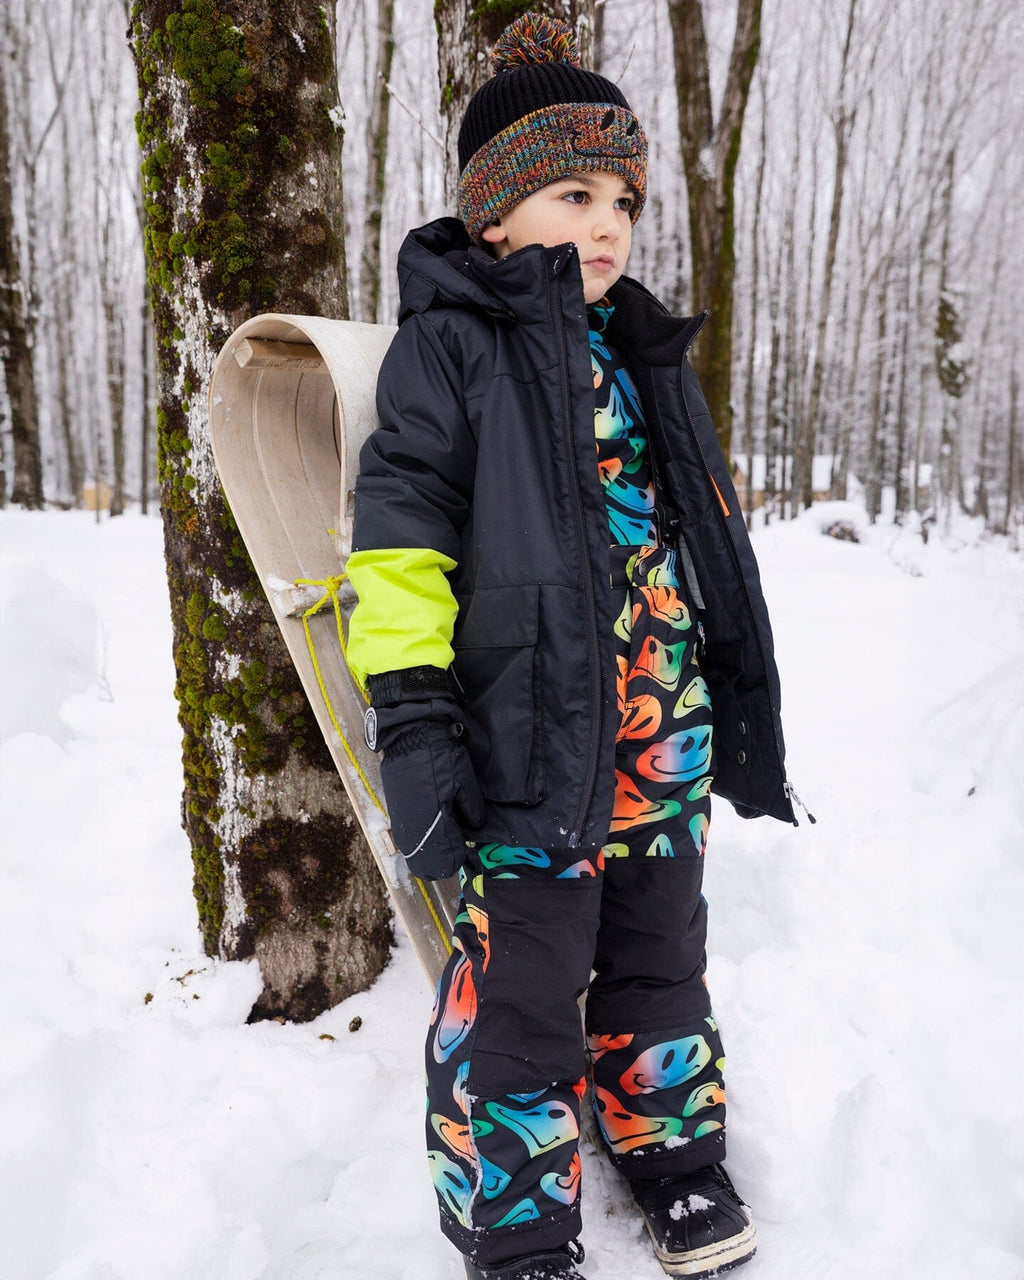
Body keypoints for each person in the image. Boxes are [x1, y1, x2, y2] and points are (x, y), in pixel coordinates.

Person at [346, 14, 797, 1280]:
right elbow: (397, 547)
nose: (610, 224)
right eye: (573, 192)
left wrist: (732, 696)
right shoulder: (452, 350)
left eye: (625, 200)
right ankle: (519, 1222)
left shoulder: (638, 347)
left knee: (661, 963)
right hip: (531, 747)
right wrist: (416, 720)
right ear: (493, 216)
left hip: (662, 735)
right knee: (525, 998)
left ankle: (673, 1155)